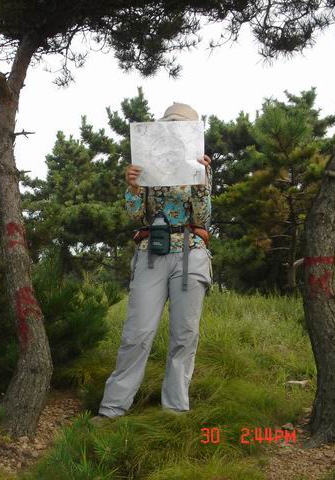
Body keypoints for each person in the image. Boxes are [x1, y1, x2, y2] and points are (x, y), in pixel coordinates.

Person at [96, 103, 212, 419]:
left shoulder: (199, 166)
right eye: (169, 125)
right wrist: (133, 188)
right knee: (137, 333)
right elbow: (136, 217)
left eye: (180, 126)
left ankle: (175, 410)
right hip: (151, 253)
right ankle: (112, 408)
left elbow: (202, 217)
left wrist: (201, 182)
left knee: (184, 336)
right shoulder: (147, 162)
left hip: (190, 252)